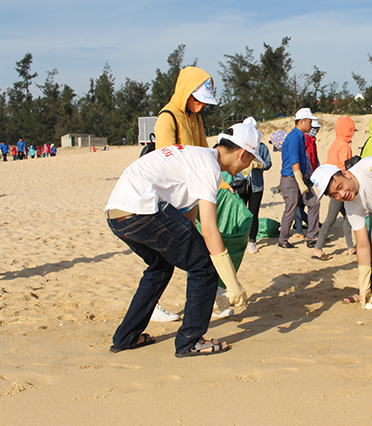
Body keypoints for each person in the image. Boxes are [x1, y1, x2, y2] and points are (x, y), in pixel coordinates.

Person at [106, 123, 263, 357]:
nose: (247, 167)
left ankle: (125, 337)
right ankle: (190, 341)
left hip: (117, 216)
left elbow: (187, 223)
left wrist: (200, 259)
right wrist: (231, 283)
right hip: (142, 210)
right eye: (250, 160)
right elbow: (209, 230)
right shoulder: (208, 167)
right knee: (204, 267)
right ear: (243, 153)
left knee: (160, 267)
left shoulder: (195, 157)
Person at [150, 66, 220, 322]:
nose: (201, 106)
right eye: (197, 100)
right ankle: (152, 303)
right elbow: (165, 160)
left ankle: (207, 295)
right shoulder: (167, 117)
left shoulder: (196, 118)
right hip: (171, 196)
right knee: (165, 252)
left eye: (204, 102)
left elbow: (203, 151)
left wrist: (219, 183)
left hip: (191, 194)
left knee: (194, 246)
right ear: (186, 93)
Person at [311, 157, 372, 309]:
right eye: (335, 195)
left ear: (346, 174)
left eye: (340, 186)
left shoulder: (367, 168)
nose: (342, 194)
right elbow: (362, 245)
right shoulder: (351, 207)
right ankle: (368, 291)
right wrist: (363, 285)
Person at [312, 116, 356, 261]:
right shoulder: (344, 145)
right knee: (331, 219)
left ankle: (350, 247)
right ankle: (318, 248)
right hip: (338, 186)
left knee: (348, 217)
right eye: (352, 130)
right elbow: (345, 167)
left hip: (332, 185)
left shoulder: (335, 143)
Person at [278, 108, 320, 249]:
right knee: (291, 209)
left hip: (299, 178)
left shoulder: (300, 136)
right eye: (309, 121)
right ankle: (283, 240)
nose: (311, 125)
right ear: (301, 121)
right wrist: (301, 183)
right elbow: (294, 162)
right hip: (292, 178)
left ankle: (312, 236)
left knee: (314, 203)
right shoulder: (294, 137)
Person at [232, 120, 272, 254]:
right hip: (240, 184)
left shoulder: (262, 147)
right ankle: (239, 240)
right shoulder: (238, 146)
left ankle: (252, 242)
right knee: (240, 214)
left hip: (256, 186)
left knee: (254, 214)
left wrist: (260, 165)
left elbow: (268, 163)